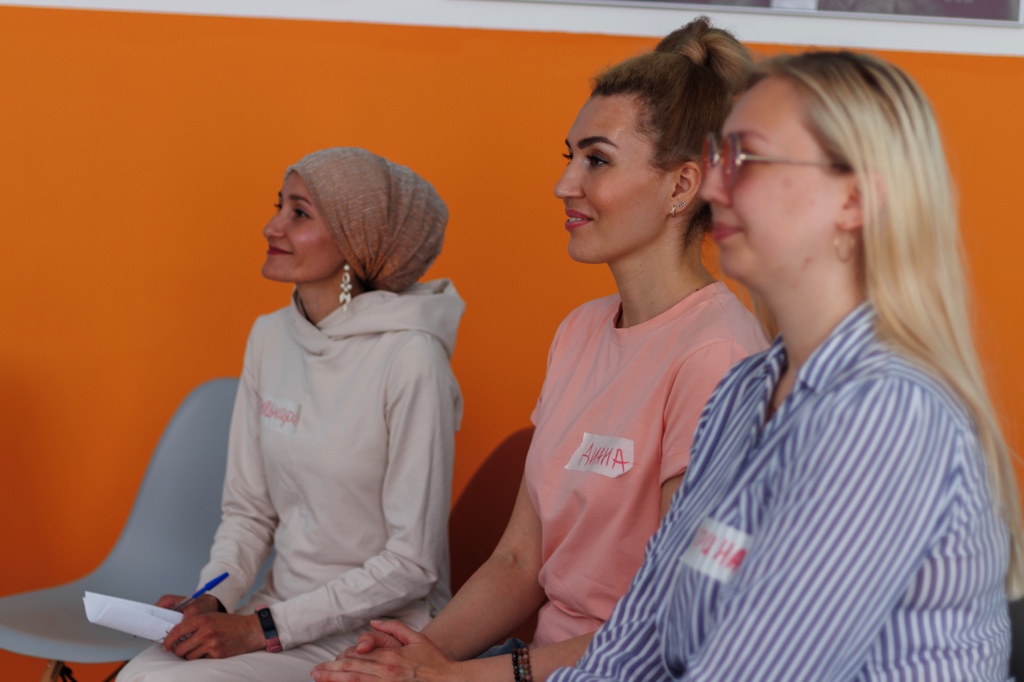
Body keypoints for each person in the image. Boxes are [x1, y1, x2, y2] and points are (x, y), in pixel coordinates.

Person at [311, 17, 769, 682]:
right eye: (570, 156)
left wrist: (457, 677)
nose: (565, 184)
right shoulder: (580, 331)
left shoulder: (718, 355)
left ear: (681, 186)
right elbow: (519, 562)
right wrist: (412, 658)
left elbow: (677, 624)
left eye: (597, 160)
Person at [546, 51, 1024, 681]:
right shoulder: (745, 390)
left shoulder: (889, 413)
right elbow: (642, 633)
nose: (713, 189)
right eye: (721, 159)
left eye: (750, 160)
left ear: (853, 200)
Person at [117, 147, 464, 681]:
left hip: (376, 630)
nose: (272, 226)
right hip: (275, 610)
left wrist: (261, 629)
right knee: (141, 675)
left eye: (300, 213)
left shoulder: (411, 359)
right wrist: (212, 598)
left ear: (356, 241)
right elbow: (248, 511)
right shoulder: (269, 336)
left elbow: (412, 564)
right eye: (278, 206)